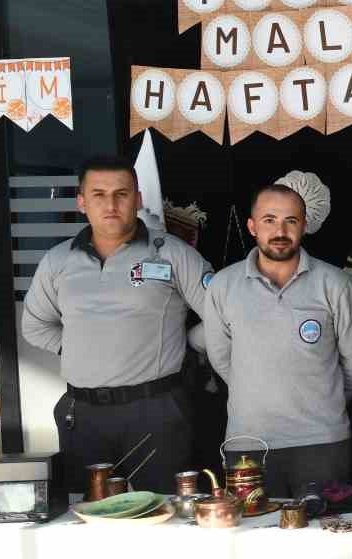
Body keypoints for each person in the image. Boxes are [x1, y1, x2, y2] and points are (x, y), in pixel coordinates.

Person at [23, 156, 213, 494]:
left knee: (162, 515)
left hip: (155, 411)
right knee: (89, 518)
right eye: (98, 194)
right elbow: (35, 326)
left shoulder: (171, 254)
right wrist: (76, 347)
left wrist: (191, 341)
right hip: (83, 416)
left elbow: (221, 315)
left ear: (137, 200)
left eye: (121, 194)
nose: (110, 204)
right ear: (82, 202)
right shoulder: (58, 260)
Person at [202, 184, 352, 498]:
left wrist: (322, 400)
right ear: (252, 226)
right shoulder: (223, 286)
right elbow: (222, 359)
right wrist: (259, 393)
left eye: (290, 221)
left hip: (322, 441)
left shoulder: (336, 284)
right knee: (254, 541)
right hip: (249, 443)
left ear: (304, 226)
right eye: (269, 220)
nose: (280, 231)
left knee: (327, 539)